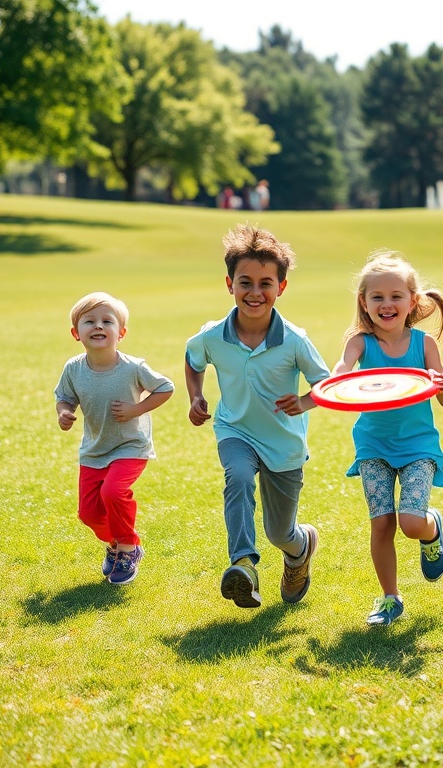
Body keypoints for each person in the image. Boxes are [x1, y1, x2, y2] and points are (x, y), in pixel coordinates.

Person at [185, 224, 330, 609]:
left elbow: (326, 385)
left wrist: (303, 401)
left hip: (284, 445)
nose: (254, 292)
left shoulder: (295, 340)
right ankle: (244, 565)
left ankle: (300, 549)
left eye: (265, 283)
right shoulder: (213, 335)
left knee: (280, 532)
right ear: (229, 283)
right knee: (237, 479)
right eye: (244, 282)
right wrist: (196, 396)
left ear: (281, 288)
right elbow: (193, 358)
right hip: (236, 430)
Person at [331, 252, 443, 626]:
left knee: (411, 523)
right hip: (373, 445)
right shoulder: (360, 342)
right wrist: (335, 378)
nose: (387, 304)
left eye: (395, 296)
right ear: (364, 303)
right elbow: (343, 368)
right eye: (377, 297)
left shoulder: (424, 345)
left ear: (412, 301)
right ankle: (390, 598)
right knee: (382, 523)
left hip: (418, 445)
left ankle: (430, 527)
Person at [54, 292, 174, 585]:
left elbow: (166, 387)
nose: (98, 326)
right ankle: (116, 545)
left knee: (112, 493)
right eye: (90, 321)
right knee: (89, 513)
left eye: (107, 321)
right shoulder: (73, 368)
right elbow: (64, 398)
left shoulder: (132, 367)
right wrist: (65, 413)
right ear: (76, 333)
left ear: (121, 333)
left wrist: (136, 409)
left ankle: (129, 547)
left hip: (130, 446)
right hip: (94, 450)